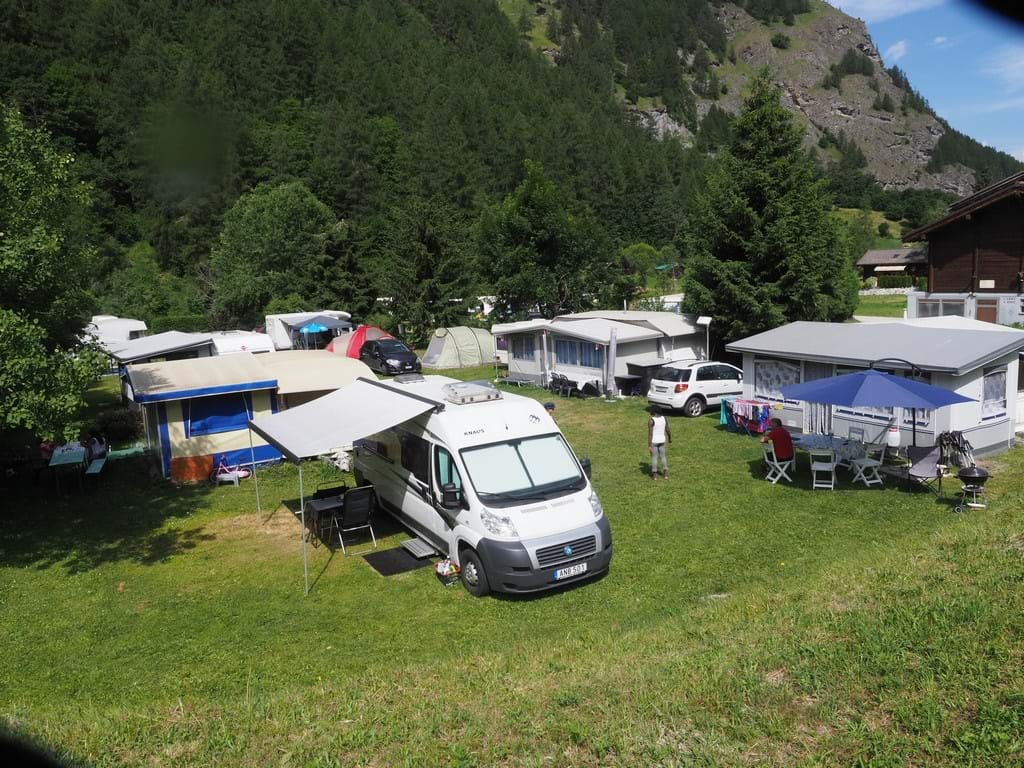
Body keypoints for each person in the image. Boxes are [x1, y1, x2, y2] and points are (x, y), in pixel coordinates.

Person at [648, 406, 671, 480]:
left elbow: (650, 434)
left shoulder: (651, 420)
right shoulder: (664, 418)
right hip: (662, 440)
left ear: (654, 412)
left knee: (654, 457)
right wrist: (669, 438)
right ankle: (665, 474)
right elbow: (667, 429)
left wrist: (649, 445)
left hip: (654, 441)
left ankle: (654, 475)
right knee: (663, 457)